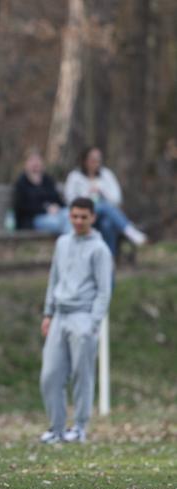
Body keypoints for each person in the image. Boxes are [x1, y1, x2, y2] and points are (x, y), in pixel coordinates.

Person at [39, 198, 113, 444]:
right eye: (74, 216)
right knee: (50, 375)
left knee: (82, 374)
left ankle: (79, 427)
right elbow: (54, 279)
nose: (79, 221)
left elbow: (104, 290)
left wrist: (93, 323)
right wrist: (48, 313)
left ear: (92, 218)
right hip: (60, 315)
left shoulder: (100, 250)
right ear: (69, 216)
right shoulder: (62, 243)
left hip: (83, 316)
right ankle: (56, 428)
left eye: (84, 217)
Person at [64, 147, 147, 256]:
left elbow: (117, 199)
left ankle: (108, 258)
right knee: (103, 206)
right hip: (83, 216)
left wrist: (102, 191)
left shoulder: (106, 174)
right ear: (85, 160)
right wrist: (87, 196)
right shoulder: (75, 176)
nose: (96, 162)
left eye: (98, 159)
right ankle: (129, 230)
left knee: (107, 224)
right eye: (93, 159)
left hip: (104, 216)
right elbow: (69, 200)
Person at [13, 149, 68, 234]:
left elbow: (57, 199)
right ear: (25, 164)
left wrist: (57, 206)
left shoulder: (47, 180)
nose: (35, 163)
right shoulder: (22, 182)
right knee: (57, 223)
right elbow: (22, 207)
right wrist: (46, 209)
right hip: (33, 219)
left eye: (38, 160)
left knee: (69, 214)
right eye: (31, 160)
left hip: (54, 214)